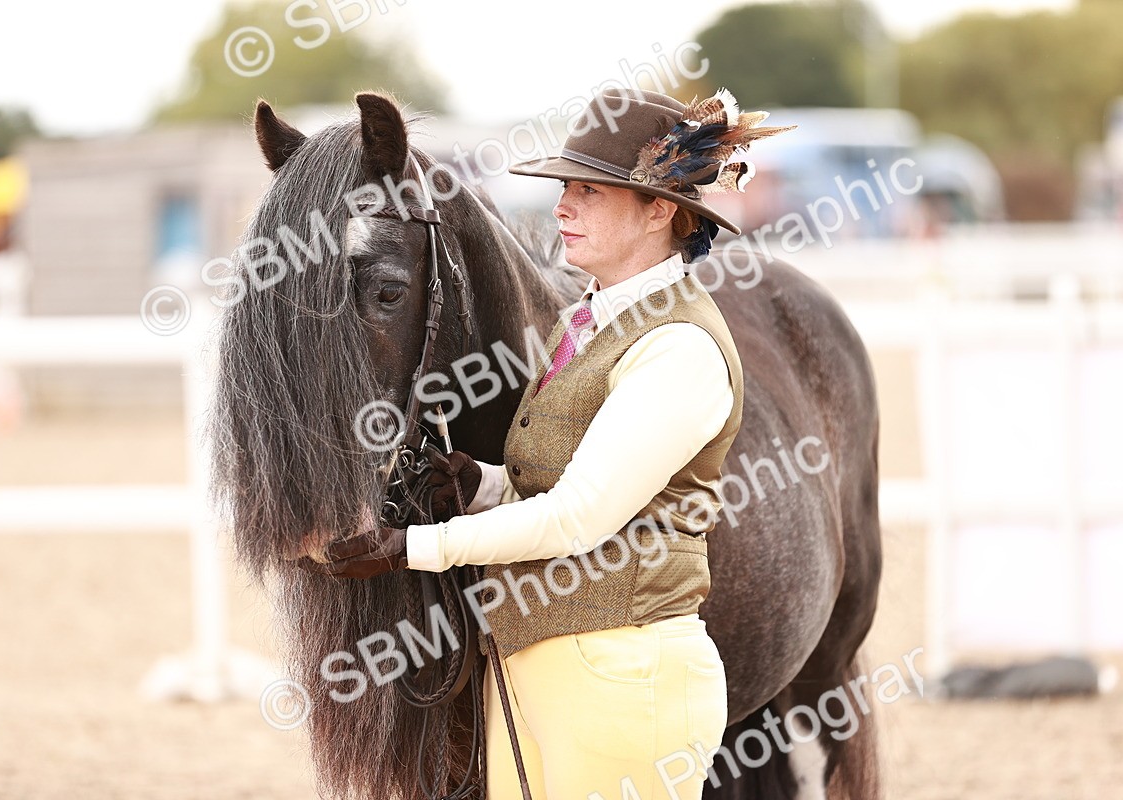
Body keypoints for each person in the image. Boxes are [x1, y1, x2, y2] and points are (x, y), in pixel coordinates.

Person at [319, 87, 793, 799]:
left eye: (589, 191)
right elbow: (573, 484)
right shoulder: (590, 318)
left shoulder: (678, 347)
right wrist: (478, 484)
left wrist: (412, 548)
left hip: (624, 676)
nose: (563, 206)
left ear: (661, 209)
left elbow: (578, 517)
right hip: (539, 668)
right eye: (564, 188)